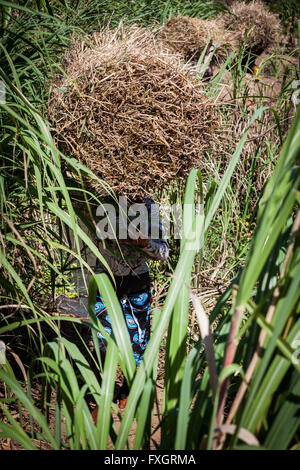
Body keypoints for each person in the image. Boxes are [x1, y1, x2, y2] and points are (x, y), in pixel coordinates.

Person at [91, 196, 169, 419]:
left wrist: (145, 244)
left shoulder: (148, 206)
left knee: (137, 342)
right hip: (105, 282)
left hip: (137, 285)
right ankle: (102, 398)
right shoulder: (100, 200)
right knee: (102, 343)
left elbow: (164, 252)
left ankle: (127, 389)